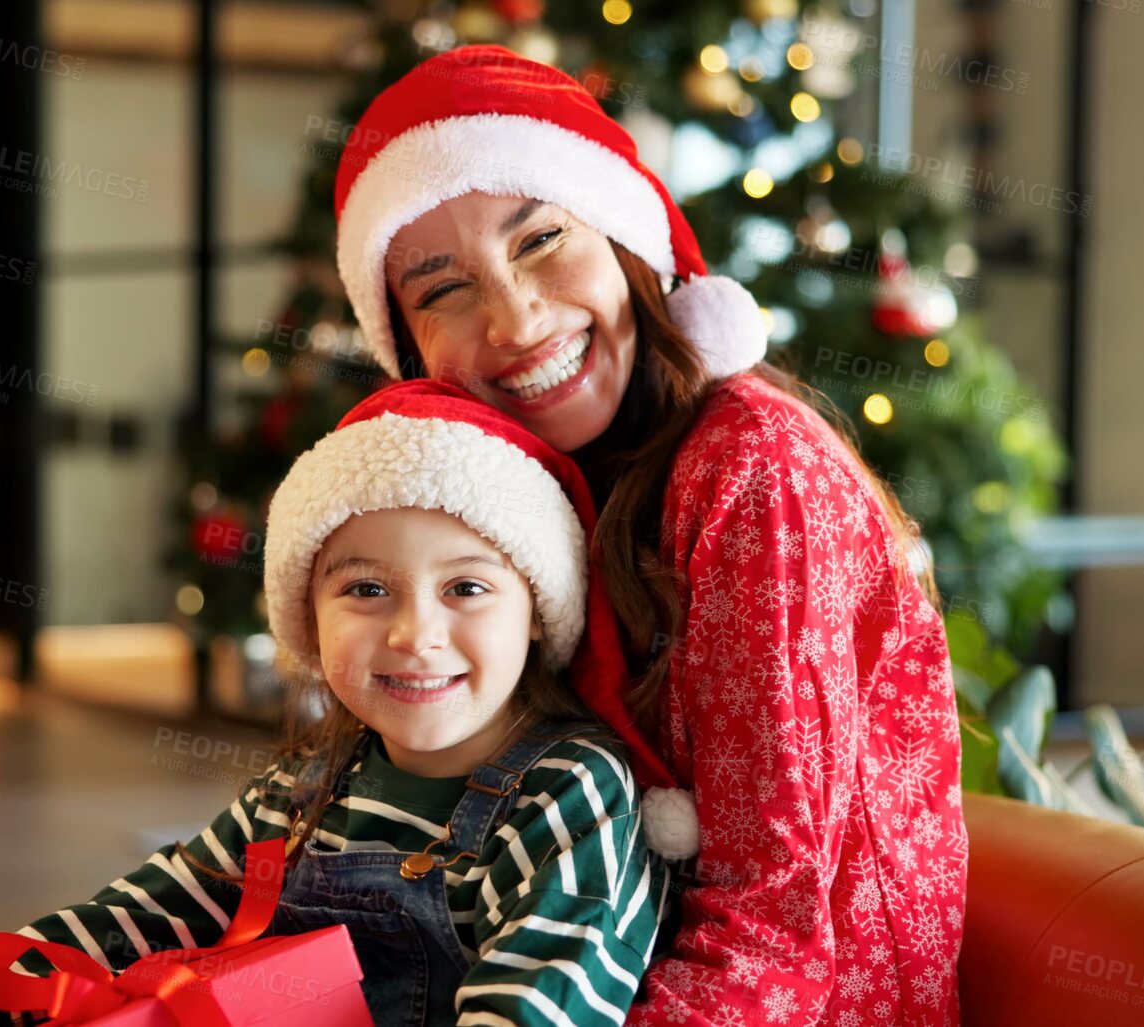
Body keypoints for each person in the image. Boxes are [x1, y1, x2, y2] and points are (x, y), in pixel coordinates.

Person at [329, 43, 968, 1025]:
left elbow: (776, 935)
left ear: (628, 238)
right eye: (443, 288)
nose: (514, 317)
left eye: (540, 239)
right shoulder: (500, 510)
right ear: (409, 351)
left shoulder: (755, 469)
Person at [0, 379, 675, 1027]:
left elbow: (539, 1001)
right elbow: (139, 915)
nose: (414, 634)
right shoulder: (303, 790)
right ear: (307, 617)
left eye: (465, 587)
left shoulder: (570, 791)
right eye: (365, 589)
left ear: (537, 612)